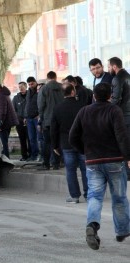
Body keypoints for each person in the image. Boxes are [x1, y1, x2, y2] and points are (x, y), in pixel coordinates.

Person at [69, 82, 130, 250]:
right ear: (110, 95)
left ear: (94, 96)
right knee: (119, 198)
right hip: (114, 161)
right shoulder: (114, 110)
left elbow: (72, 137)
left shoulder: (84, 112)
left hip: (92, 162)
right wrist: (128, 156)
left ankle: (92, 226)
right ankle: (122, 231)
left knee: (95, 197)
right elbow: (121, 135)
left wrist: (85, 151)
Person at [51, 83, 87, 204]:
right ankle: (89, 193)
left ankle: (75, 196)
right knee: (85, 169)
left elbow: (54, 129)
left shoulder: (57, 108)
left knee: (70, 170)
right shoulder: (82, 106)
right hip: (82, 143)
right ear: (73, 92)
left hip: (66, 143)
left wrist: (55, 145)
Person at [108, 57, 130, 179]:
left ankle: (126, 173)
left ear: (114, 66)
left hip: (123, 116)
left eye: (109, 67)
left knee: (123, 143)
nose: (109, 69)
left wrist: (109, 110)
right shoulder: (128, 76)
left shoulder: (117, 78)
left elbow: (116, 99)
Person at [37, 71, 63, 170]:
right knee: (58, 142)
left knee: (47, 143)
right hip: (60, 121)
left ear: (48, 78)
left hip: (48, 121)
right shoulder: (62, 88)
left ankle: (46, 164)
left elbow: (41, 106)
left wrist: (41, 120)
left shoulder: (44, 89)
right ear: (56, 78)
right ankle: (56, 163)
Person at [0, 81, 19, 158]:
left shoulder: (1, 97)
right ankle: (6, 159)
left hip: (4, 123)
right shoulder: (3, 95)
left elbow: (2, 112)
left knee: (3, 143)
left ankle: (6, 160)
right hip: (6, 122)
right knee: (4, 142)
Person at [12, 82, 30, 161]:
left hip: (29, 120)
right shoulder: (16, 98)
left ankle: (32, 154)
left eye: (22, 87)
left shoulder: (30, 96)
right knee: (22, 139)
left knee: (30, 139)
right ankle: (24, 155)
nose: (21, 88)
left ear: (26, 87)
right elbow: (13, 110)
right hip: (19, 121)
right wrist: (19, 118)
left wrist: (27, 117)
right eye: (19, 87)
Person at [25, 77, 40, 161]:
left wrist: (39, 115)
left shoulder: (39, 91)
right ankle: (34, 155)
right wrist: (25, 116)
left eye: (32, 84)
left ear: (35, 82)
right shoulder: (28, 92)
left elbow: (42, 103)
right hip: (29, 118)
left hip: (36, 118)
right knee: (31, 138)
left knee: (40, 138)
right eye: (29, 84)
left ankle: (41, 156)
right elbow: (27, 104)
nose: (30, 86)